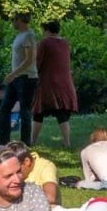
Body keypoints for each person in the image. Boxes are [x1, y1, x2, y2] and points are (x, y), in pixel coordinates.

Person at [32, 20, 78, 148]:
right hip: (65, 82)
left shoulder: (45, 43)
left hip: (48, 81)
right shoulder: (65, 43)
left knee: (38, 111)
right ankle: (67, 141)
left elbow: (38, 62)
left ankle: (33, 141)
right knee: (61, 113)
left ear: (47, 30)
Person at [0, 12, 40, 144]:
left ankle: (25, 142)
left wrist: (13, 73)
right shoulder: (20, 36)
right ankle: (3, 142)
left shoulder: (29, 36)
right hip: (17, 78)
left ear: (20, 20)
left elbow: (29, 59)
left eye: (14, 19)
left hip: (27, 77)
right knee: (5, 108)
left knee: (25, 109)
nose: (12, 22)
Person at [12, 141, 60, 205]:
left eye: (17, 171)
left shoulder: (46, 167)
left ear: (27, 162)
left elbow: (50, 197)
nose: (14, 176)